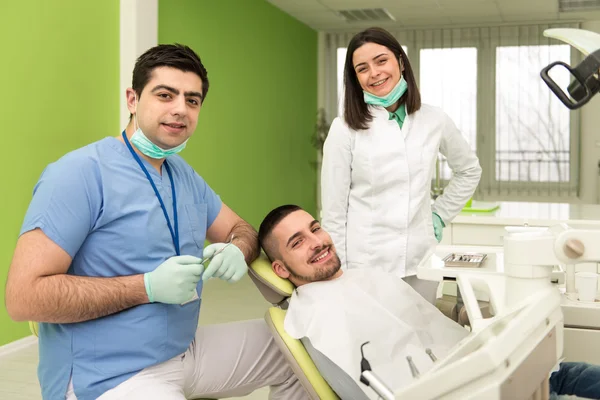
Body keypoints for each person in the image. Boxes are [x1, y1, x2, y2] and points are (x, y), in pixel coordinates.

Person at [5, 44, 306, 400]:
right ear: (132, 99)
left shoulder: (184, 176)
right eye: (165, 95)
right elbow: (23, 297)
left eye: (192, 101)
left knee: (303, 350)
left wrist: (238, 250)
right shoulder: (79, 174)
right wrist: (145, 287)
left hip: (184, 352)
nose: (180, 109)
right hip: (110, 375)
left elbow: (241, 230)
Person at [258, 204, 600, 400]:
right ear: (279, 267)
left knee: (574, 372)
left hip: (489, 364)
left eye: (316, 229)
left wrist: (466, 312)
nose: (317, 242)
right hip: (468, 390)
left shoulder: (365, 276)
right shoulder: (313, 316)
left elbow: (419, 314)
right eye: (297, 242)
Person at [320, 27, 482, 303]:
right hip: (366, 263)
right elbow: (334, 212)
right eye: (362, 68)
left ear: (401, 62)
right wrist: (339, 271)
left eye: (381, 61)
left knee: (422, 336)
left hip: (420, 259)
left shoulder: (434, 119)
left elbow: (469, 170)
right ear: (355, 79)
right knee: (374, 340)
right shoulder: (344, 129)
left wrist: (440, 215)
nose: (374, 73)